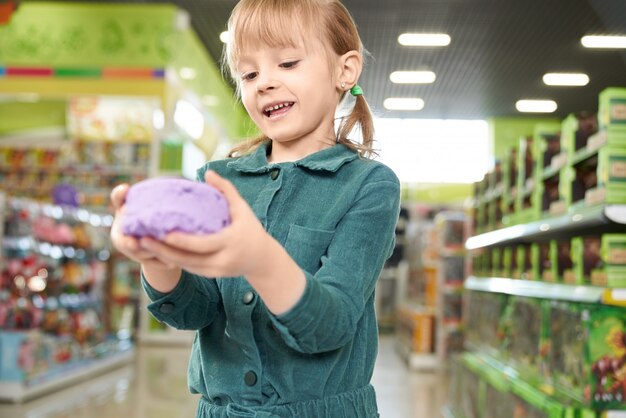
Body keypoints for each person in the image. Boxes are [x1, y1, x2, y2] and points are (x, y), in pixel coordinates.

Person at [110, 0, 400, 416]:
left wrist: (258, 257)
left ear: (345, 70)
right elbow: (196, 310)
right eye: (249, 73)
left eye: (287, 62)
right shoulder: (218, 181)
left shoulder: (370, 186)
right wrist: (157, 258)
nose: (264, 82)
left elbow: (331, 324)